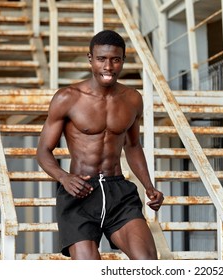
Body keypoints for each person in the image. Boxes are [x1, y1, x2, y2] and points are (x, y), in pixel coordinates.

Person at [36, 30, 164, 260]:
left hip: (119, 192)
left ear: (123, 61)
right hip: (80, 192)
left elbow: (133, 146)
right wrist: (63, 177)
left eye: (115, 59)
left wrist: (148, 185)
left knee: (148, 264)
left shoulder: (133, 99)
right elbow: (43, 151)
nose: (108, 66)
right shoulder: (68, 98)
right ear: (90, 59)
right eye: (101, 59)